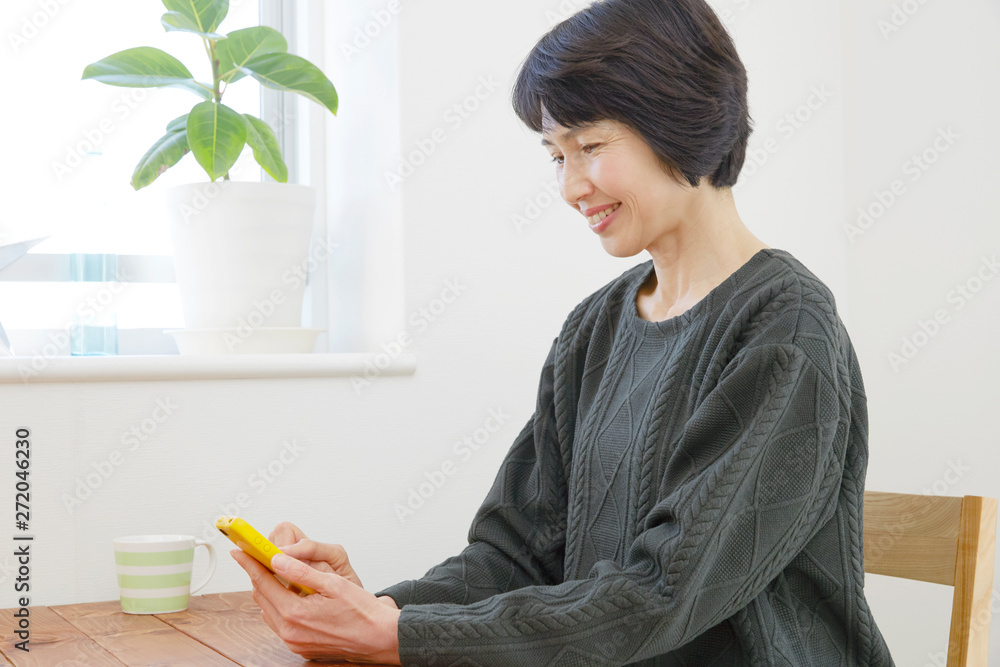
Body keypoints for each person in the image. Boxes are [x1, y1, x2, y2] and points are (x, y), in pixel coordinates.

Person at [230, 0, 895, 663]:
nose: (571, 187)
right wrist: (383, 610)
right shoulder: (594, 329)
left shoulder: (785, 327)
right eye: (555, 155)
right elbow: (515, 555)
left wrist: (400, 636)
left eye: (590, 147)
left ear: (685, 119)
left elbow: (663, 593)